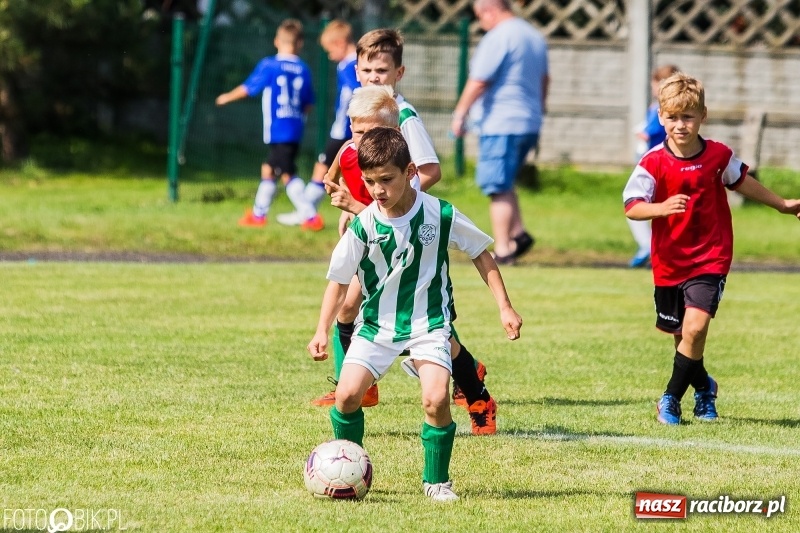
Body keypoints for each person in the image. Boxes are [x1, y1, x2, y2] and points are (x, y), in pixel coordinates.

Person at [306, 127, 522, 501]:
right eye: (370, 182)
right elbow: (338, 281)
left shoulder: (439, 213)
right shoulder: (363, 225)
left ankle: (436, 482)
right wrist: (321, 329)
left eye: (386, 180)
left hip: (430, 324)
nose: (377, 191)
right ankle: (347, 466)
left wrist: (504, 306)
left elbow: (480, 253)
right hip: (376, 326)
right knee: (346, 396)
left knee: (436, 398)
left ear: (409, 173)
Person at [312, 86, 498, 436]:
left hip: (410, 239)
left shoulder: (401, 146)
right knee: (348, 308)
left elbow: (419, 186)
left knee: (430, 328)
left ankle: (474, 391)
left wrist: (356, 207)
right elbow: (335, 174)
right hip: (373, 243)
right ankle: (360, 382)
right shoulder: (351, 150)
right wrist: (343, 199)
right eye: (356, 131)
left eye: (367, 132)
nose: (361, 140)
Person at [622, 72, 800, 425]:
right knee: (682, 336)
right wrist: (659, 207)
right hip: (669, 260)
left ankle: (670, 399)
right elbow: (632, 205)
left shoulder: (718, 155)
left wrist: (780, 204)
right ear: (661, 117)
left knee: (696, 329)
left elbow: (740, 180)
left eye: (688, 117)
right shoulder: (653, 162)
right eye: (672, 117)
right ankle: (704, 388)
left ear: (703, 115)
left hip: (711, 256)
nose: (680, 125)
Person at [451, 0, 548, 265]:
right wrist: (540, 111)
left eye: (480, 17)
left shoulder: (498, 37)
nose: (481, 23)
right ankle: (519, 234)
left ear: (489, 11)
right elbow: (544, 80)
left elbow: (480, 79)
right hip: (529, 121)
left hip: (502, 122)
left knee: (497, 186)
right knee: (506, 181)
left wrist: (460, 113)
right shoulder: (533, 35)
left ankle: (504, 250)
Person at [215, 19, 320, 230]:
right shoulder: (304, 69)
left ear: (276, 41)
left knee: (287, 173)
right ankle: (258, 215)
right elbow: (308, 105)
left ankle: (310, 217)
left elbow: (249, 88)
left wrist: (227, 97)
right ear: (299, 43)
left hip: (277, 129)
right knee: (268, 169)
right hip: (294, 128)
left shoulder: (270, 65)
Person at [277, 19, 359, 230]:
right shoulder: (356, 62)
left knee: (324, 169)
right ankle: (306, 213)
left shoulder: (348, 65)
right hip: (346, 128)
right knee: (322, 169)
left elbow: (358, 91)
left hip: (344, 129)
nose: (330, 56)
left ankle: (307, 214)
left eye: (330, 50)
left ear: (340, 43)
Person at [628, 64, 680, 268]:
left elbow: (650, 133)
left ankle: (648, 246)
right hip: (662, 164)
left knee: (636, 206)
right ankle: (658, 248)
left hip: (660, 166)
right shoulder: (669, 108)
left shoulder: (662, 109)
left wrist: (640, 133)